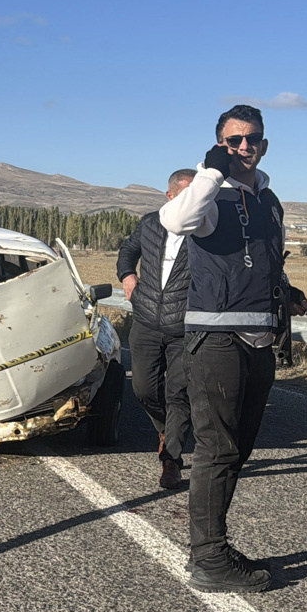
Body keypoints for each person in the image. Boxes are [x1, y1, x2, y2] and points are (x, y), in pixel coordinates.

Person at [160, 105, 307, 593]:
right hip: (215, 340)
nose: (245, 147)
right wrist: (211, 171)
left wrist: (285, 293)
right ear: (219, 145)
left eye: (253, 140)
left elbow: (266, 261)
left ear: (264, 145)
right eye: (234, 140)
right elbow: (176, 220)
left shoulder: (270, 200)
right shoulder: (209, 197)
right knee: (218, 449)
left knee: (238, 451)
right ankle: (209, 559)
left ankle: (213, 548)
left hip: (259, 339)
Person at [116, 168, 196, 490]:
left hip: (185, 326)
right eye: (186, 195)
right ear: (170, 197)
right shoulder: (150, 223)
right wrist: (127, 274)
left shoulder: (206, 230)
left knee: (179, 392)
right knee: (144, 389)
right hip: (147, 319)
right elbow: (128, 251)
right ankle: (166, 428)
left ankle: (172, 461)